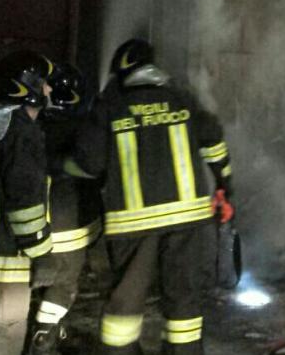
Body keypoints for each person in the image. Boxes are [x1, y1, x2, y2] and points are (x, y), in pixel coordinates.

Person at [71, 38, 234, 355]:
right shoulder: (182, 98)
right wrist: (224, 186)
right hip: (189, 221)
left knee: (126, 302)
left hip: (133, 224)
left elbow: (90, 163)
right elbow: (214, 143)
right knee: (184, 302)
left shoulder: (110, 107)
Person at [0, 51, 57, 355]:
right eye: (44, 83)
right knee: (8, 326)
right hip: (10, 250)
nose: (49, 89)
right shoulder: (22, 133)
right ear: (29, 87)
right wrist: (41, 252)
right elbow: (24, 199)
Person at [29, 62, 103, 355]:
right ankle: (43, 337)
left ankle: (42, 330)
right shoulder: (85, 130)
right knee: (64, 284)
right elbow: (96, 169)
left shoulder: (32, 124)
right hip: (71, 224)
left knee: (37, 280)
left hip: (33, 223)